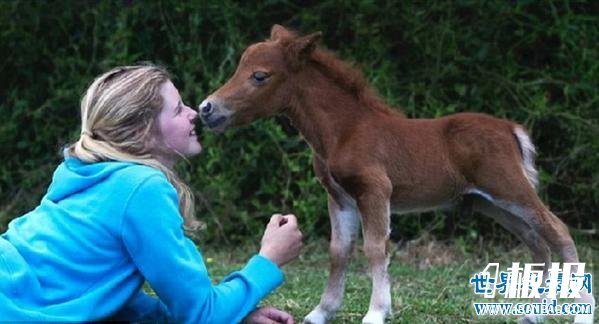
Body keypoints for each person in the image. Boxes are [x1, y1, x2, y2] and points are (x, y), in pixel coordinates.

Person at [0, 64, 303, 323]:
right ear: (143, 132)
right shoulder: (141, 188)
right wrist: (269, 259)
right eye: (177, 109)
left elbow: (104, 291)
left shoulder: (84, 174)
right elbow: (201, 315)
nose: (192, 113)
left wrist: (235, 314)